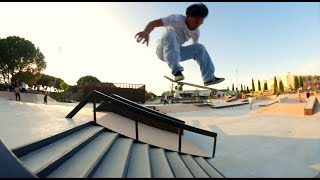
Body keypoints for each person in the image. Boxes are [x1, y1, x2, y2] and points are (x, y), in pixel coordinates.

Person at [135, 3, 224, 86]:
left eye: (200, 23)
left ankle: (209, 78)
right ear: (188, 17)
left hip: (177, 53)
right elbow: (153, 23)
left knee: (200, 48)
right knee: (170, 31)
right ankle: (176, 71)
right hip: (162, 50)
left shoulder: (196, 32)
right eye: (195, 22)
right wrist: (146, 32)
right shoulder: (176, 19)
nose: (197, 26)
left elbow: (197, 51)